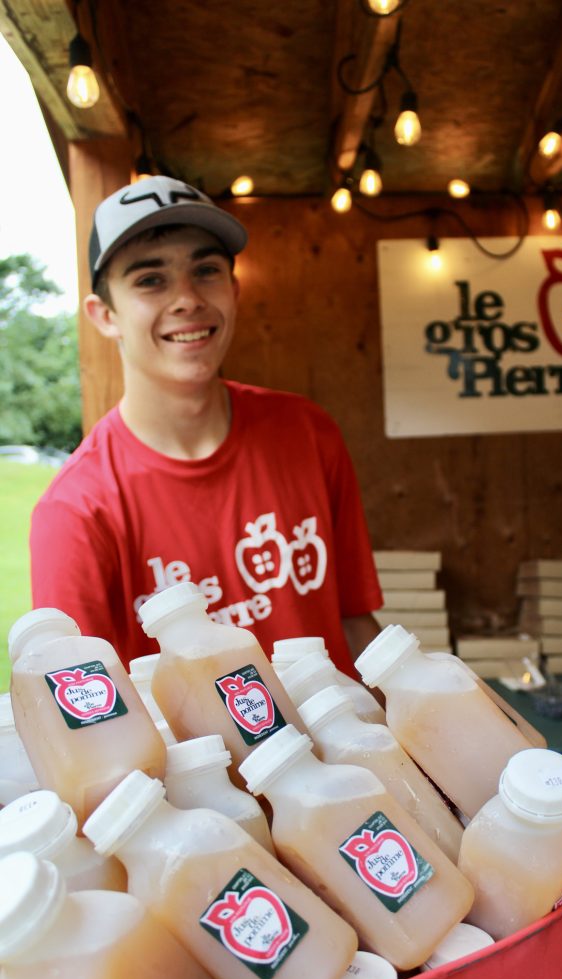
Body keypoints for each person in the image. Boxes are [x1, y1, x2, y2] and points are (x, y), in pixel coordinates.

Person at [29, 175, 382, 677]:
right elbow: (90, 721)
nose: (187, 299)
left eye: (206, 271)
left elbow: (355, 623)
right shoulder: (76, 512)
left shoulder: (308, 432)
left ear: (234, 291)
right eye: (150, 280)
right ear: (104, 315)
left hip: (346, 750)